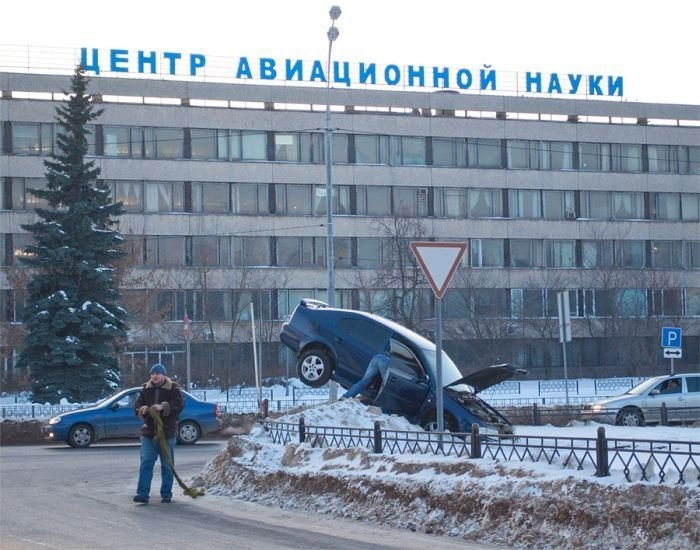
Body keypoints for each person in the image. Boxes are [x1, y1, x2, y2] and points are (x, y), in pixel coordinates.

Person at [133, 363, 184, 504]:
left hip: (167, 433)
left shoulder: (173, 389)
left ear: (163, 375)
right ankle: (142, 494)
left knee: (167, 465)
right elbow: (136, 406)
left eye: (157, 373)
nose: (155, 376)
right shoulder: (145, 389)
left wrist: (163, 407)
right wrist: (142, 409)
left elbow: (179, 406)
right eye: (153, 373)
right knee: (146, 462)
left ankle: (166, 493)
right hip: (149, 433)